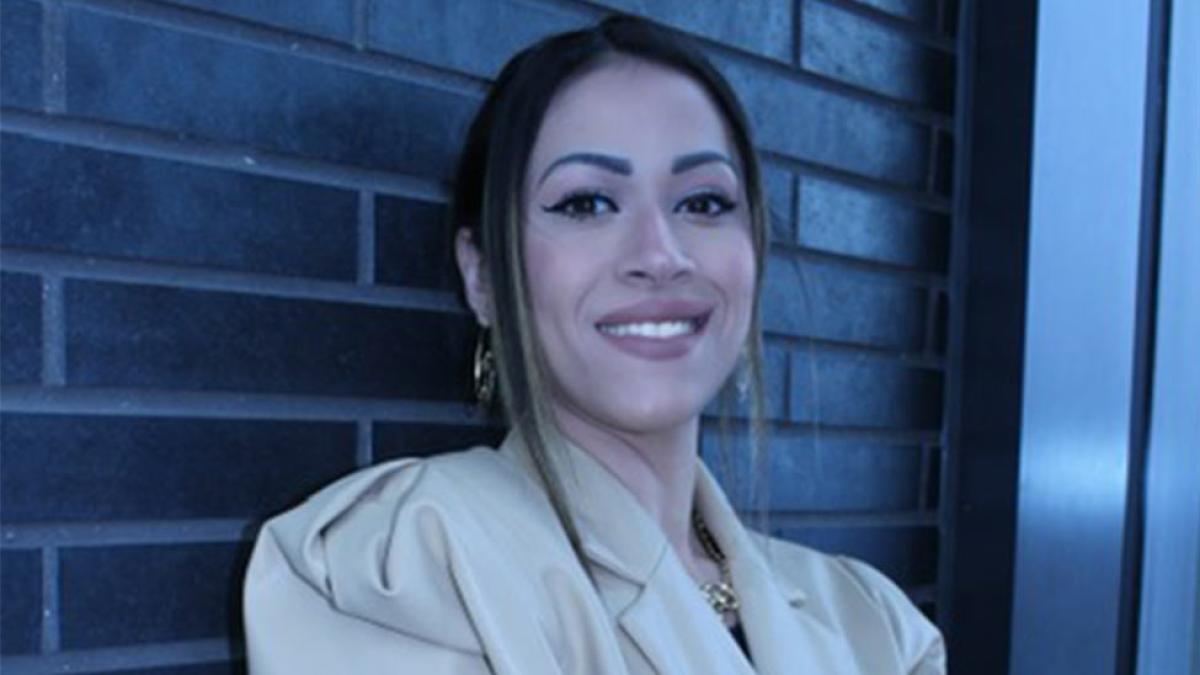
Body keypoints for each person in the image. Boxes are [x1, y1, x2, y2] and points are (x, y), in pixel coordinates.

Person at [242, 15, 946, 675]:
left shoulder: (873, 622)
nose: (660, 253)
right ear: (482, 273)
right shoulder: (403, 564)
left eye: (703, 202)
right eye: (586, 203)